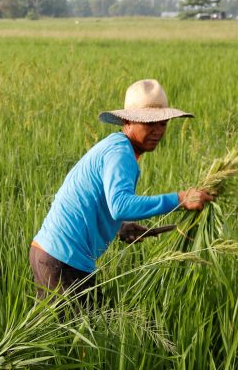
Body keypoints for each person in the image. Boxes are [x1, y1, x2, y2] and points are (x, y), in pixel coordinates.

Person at [31, 79, 216, 296]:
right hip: (63, 260)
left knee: (77, 326)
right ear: (128, 121)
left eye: (163, 123)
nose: (157, 131)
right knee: (91, 327)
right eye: (149, 123)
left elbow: (98, 200)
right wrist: (180, 199)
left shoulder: (115, 146)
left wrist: (119, 226)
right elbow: (120, 205)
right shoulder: (121, 153)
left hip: (50, 254)